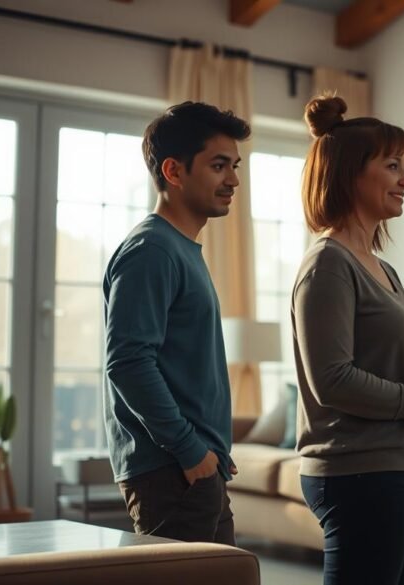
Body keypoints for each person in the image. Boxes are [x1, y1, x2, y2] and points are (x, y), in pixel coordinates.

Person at [292, 95, 404, 585]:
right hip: (358, 472)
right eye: (393, 166)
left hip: (393, 467)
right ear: (350, 174)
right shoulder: (328, 264)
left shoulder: (380, 267)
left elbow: (389, 355)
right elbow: (331, 379)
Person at [103, 101, 250, 543]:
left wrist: (211, 448)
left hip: (192, 469)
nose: (233, 180)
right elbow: (128, 363)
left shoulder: (179, 248)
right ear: (174, 171)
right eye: (219, 165)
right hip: (173, 472)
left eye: (235, 166)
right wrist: (190, 450)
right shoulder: (152, 250)